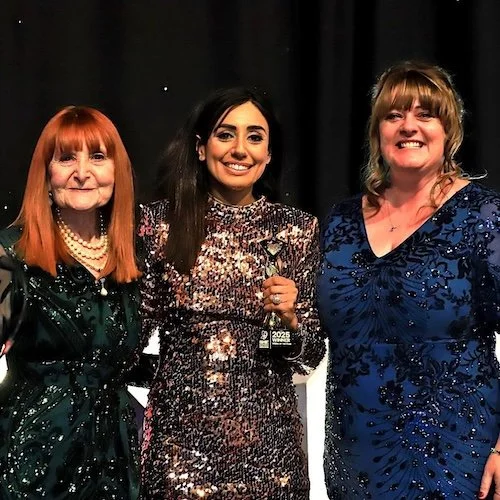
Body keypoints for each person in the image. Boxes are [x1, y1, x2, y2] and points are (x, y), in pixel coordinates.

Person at [317, 59, 500, 499]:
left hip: (456, 455)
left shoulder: (483, 217)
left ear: (449, 129)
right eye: (394, 115)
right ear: (377, 131)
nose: (408, 126)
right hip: (353, 457)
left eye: (425, 114)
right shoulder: (340, 220)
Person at [138, 86, 326, 499]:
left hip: (271, 453)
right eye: (226, 135)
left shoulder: (295, 230)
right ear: (202, 149)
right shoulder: (158, 224)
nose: (240, 149)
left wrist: (290, 323)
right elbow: (127, 339)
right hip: (180, 452)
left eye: (255, 137)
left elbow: (308, 355)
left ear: (269, 154)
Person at [0, 105, 148, 499]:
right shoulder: (10, 256)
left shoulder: (137, 257)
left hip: (115, 463)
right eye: (67, 158)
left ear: (116, 172)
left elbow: (119, 360)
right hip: (32, 463)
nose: (82, 172)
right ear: (46, 175)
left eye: (98, 157)